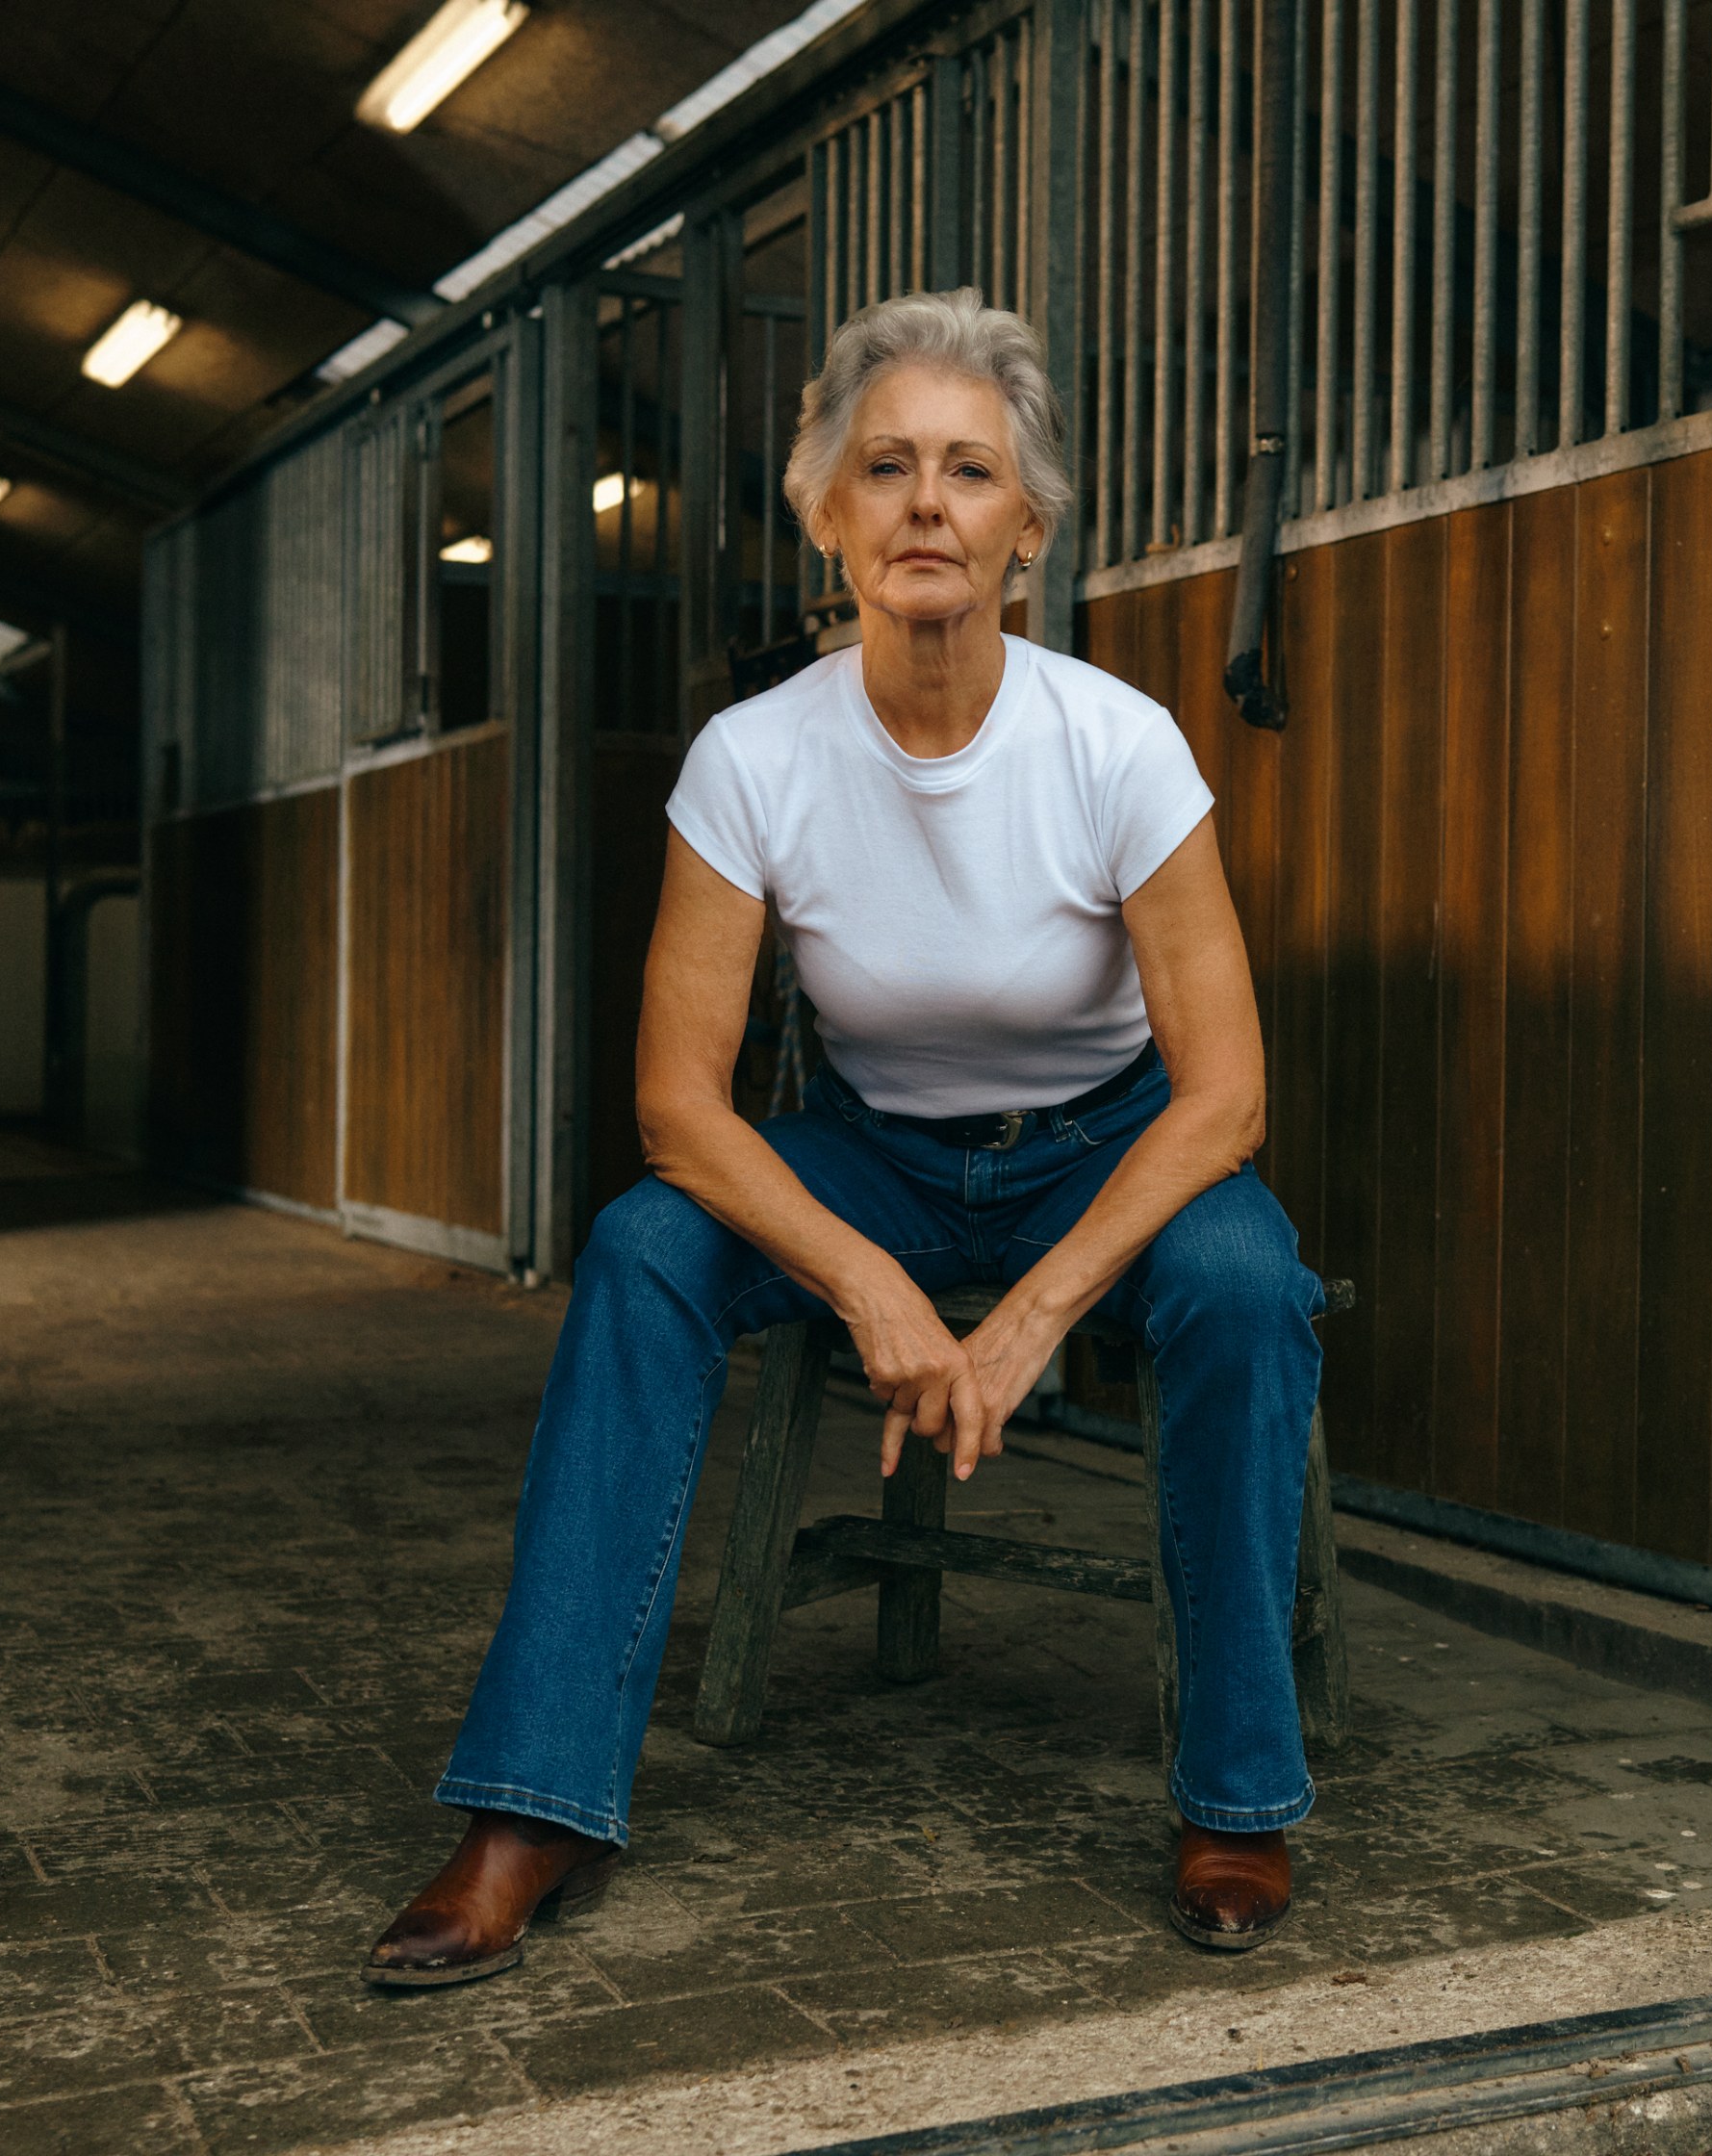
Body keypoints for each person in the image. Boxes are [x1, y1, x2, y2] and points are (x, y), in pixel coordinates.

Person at [364, 288, 1328, 1989]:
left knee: (1246, 1279)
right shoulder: (753, 760)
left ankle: (1238, 1797)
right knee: (645, 1245)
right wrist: (876, 1286)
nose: (928, 505)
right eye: (886, 468)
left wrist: (1026, 1315)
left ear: (1028, 527)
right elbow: (679, 1105)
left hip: (1099, 1151)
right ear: (828, 515)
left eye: (971, 471)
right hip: (868, 1155)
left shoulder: (1121, 745)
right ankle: (533, 1807)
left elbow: (1226, 1098)